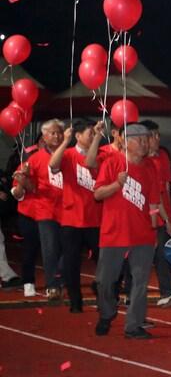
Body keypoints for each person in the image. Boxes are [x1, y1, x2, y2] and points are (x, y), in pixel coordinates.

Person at [92, 124, 161, 339]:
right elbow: (98, 194)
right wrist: (116, 185)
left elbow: (153, 202)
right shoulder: (112, 163)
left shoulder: (151, 167)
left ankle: (133, 325)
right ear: (126, 141)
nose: (143, 143)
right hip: (114, 233)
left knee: (140, 281)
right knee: (105, 280)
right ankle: (107, 312)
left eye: (145, 139)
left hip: (142, 234)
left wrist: (155, 228)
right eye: (138, 139)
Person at [48, 119, 109, 312]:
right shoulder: (67, 155)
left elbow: (92, 164)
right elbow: (53, 164)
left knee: (104, 260)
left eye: (93, 133)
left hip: (95, 219)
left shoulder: (100, 156)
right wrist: (65, 142)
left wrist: (98, 136)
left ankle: (101, 292)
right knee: (71, 262)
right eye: (89, 133)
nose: (92, 136)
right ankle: (75, 300)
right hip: (71, 219)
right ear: (78, 136)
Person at [10, 119, 65, 299]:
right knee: (44, 248)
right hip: (42, 211)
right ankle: (48, 284)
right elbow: (22, 190)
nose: (57, 136)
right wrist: (22, 180)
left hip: (68, 210)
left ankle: (59, 278)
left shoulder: (69, 155)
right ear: (43, 138)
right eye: (52, 133)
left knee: (70, 247)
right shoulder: (33, 159)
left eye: (59, 133)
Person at [140, 121, 171, 308]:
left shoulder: (163, 156)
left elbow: (165, 189)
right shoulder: (140, 161)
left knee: (163, 254)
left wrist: (168, 217)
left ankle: (167, 291)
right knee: (139, 256)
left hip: (162, 213)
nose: (158, 139)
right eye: (153, 135)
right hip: (144, 215)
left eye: (158, 135)